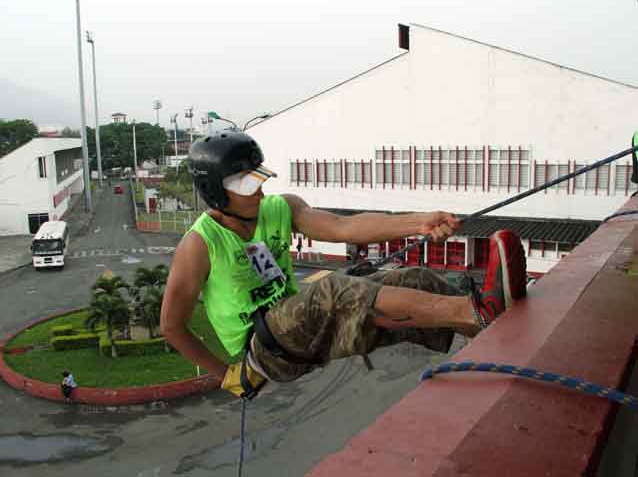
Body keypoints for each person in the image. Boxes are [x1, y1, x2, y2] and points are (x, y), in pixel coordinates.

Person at [160, 132, 527, 398]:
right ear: (215, 191)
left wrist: (419, 222)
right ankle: (478, 310)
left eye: (257, 181)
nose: (258, 191)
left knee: (413, 279)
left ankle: (492, 337)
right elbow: (172, 326)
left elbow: (344, 227)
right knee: (333, 291)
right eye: (245, 186)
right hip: (265, 347)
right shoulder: (199, 244)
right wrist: (228, 376)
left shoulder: (281, 208)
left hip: (305, 324)